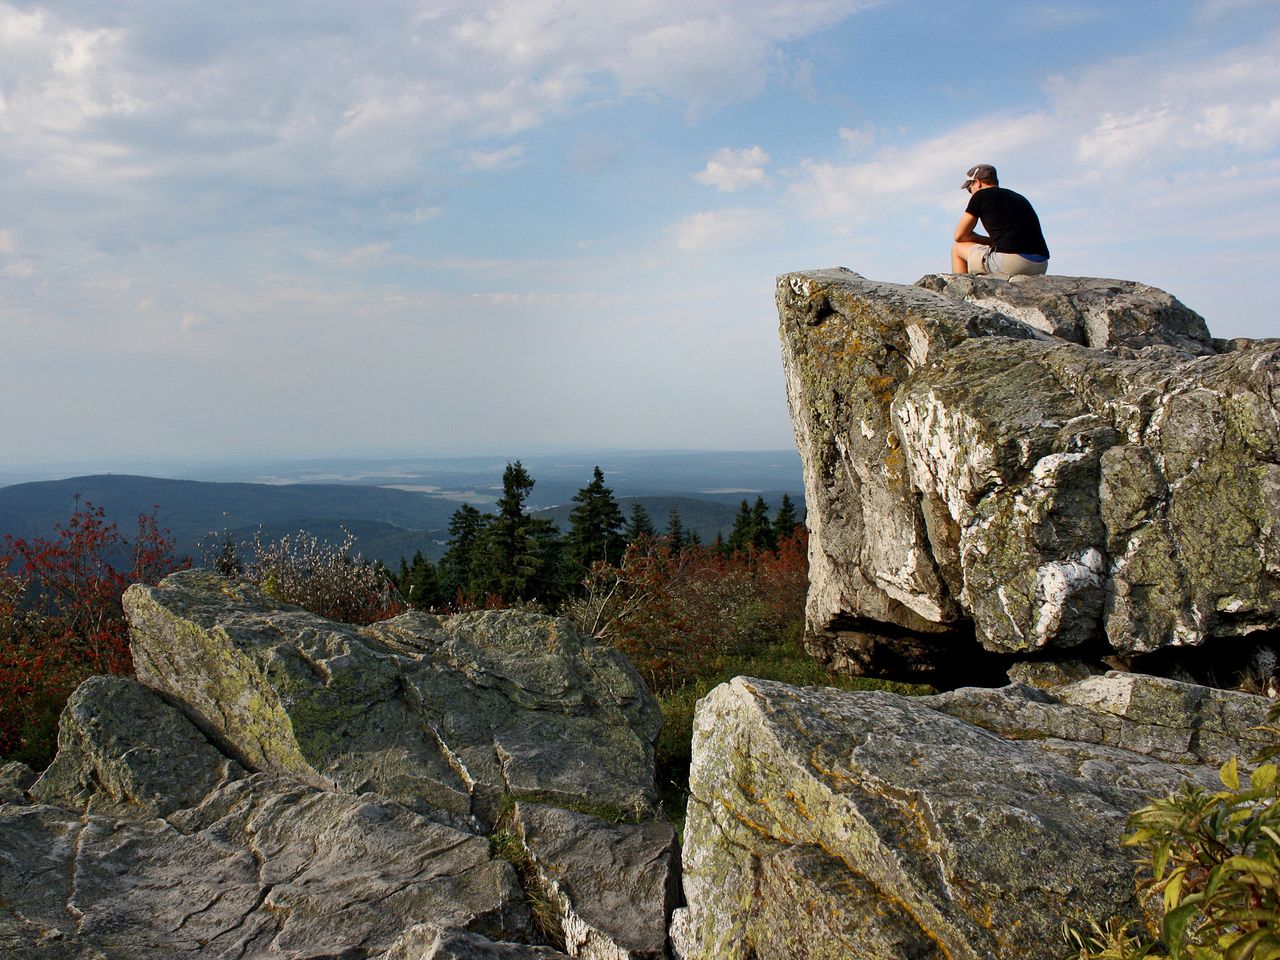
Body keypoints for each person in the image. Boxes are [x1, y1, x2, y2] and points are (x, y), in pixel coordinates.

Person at [951, 163, 1050, 276]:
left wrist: (989, 241)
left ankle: (960, 289)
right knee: (990, 255)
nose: (971, 193)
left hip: (1012, 263)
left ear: (977, 182)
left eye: (969, 189)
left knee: (957, 249)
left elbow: (959, 236)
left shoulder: (980, 195)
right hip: (1041, 264)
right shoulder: (1019, 197)